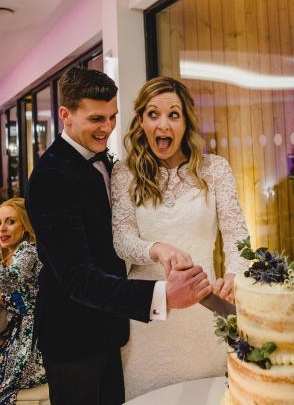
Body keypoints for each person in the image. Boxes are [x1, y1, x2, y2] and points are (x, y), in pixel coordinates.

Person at [25, 67, 212, 405]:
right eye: (96, 118)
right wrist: (162, 297)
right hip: (73, 340)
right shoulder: (51, 177)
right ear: (65, 115)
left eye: (112, 117)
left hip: (111, 330)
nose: (108, 127)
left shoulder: (107, 164)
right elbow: (78, 278)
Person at [111, 76, 249, 400]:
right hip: (148, 322)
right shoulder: (125, 174)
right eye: (153, 114)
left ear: (186, 121)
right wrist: (156, 249)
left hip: (204, 318)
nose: (164, 123)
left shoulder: (215, 170)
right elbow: (122, 238)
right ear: (141, 121)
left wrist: (234, 274)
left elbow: (237, 235)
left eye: (174, 114)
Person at [0, 198, 46, 404]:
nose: (2, 228)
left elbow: (10, 281)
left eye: (10, 221)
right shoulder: (11, 255)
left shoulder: (28, 251)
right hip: (18, 333)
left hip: (33, 339)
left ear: (25, 225)